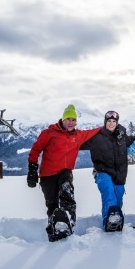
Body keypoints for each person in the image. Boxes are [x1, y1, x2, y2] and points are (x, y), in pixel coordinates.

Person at [27, 104, 101, 242]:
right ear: (63, 119)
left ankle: (69, 222)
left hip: (64, 172)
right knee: (52, 205)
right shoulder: (49, 133)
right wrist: (32, 170)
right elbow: (35, 149)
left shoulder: (78, 135)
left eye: (74, 120)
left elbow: (94, 131)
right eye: (69, 119)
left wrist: (110, 127)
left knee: (67, 191)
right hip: (47, 176)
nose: (71, 122)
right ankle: (53, 231)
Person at [81, 110, 134, 232]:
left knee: (117, 199)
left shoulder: (121, 135)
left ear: (117, 122)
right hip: (102, 172)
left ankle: (114, 221)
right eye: (109, 121)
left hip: (119, 175)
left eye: (113, 121)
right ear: (105, 122)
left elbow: (130, 140)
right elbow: (78, 143)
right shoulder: (97, 137)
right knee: (108, 192)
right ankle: (109, 221)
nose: (111, 123)